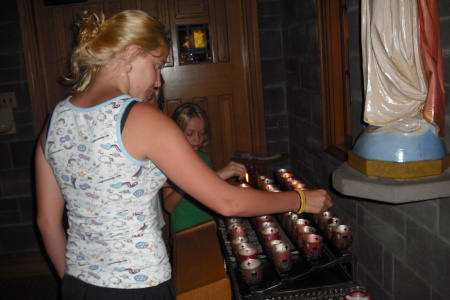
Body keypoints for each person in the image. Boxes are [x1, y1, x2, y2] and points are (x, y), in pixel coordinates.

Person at [34, 9, 333, 300]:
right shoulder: (141, 118)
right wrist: (302, 200)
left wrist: (73, 282)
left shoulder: (55, 119)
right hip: (139, 287)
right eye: (157, 66)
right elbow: (226, 201)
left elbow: (47, 222)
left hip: (77, 282)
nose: (157, 81)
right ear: (131, 53)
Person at [163, 103, 246, 233]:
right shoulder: (171, 161)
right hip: (185, 229)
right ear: (176, 132)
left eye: (202, 133)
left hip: (208, 222)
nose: (197, 139)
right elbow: (169, 206)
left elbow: (212, 190)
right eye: (189, 134)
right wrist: (218, 175)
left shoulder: (203, 157)